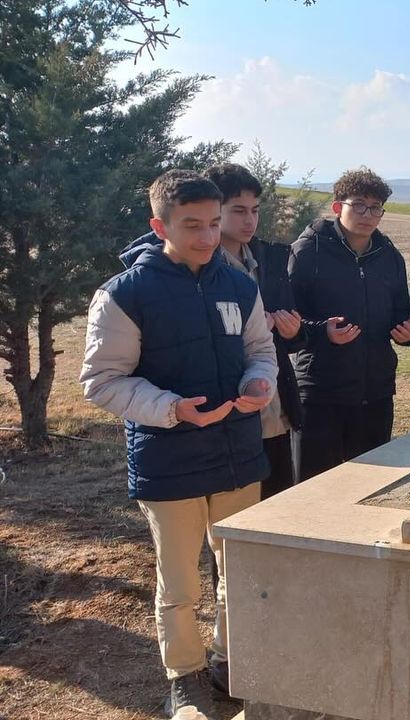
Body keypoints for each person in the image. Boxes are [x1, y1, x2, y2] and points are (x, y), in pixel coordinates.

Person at [80, 169, 277, 717]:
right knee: (181, 582)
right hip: (169, 461)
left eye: (214, 223)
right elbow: (102, 381)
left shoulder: (239, 285)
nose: (209, 237)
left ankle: (229, 661)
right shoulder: (125, 294)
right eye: (193, 225)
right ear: (159, 225)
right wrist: (171, 409)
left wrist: (258, 384)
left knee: (238, 570)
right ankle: (185, 678)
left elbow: (260, 351)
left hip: (238, 454)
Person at [289, 167, 410, 481]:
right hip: (320, 394)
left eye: (375, 208)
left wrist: (408, 333)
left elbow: (401, 311)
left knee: (370, 487)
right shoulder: (308, 251)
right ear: (337, 207)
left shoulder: (390, 256)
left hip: (376, 394)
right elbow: (288, 319)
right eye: (359, 205)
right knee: (315, 489)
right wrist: (322, 332)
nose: (367, 215)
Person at [206, 162, 305, 499]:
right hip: (229, 410)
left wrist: (292, 331)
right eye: (238, 211)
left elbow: (295, 337)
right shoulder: (202, 268)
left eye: (255, 210)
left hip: (275, 406)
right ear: (213, 211)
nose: (249, 220)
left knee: (279, 504)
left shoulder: (272, 259)